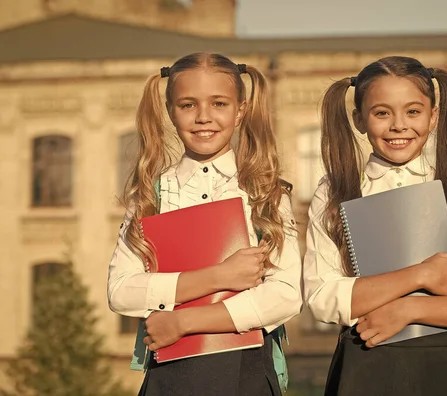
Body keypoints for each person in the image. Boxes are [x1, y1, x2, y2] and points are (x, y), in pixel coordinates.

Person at [303, 55, 447, 395]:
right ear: (359, 120)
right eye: (382, 112)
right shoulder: (336, 190)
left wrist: (410, 308)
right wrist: (420, 275)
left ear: (433, 117)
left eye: (413, 112)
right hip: (366, 364)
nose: (398, 125)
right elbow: (323, 296)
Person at [107, 52, 302, 396]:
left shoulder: (265, 194)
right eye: (187, 105)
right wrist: (218, 277)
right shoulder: (150, 197)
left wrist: (182, 322)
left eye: (219, 104)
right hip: (170, 374)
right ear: (170, 111)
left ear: (240, 110)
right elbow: (121, 291)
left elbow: (285, 296)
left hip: (249, 372)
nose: (203, 117)